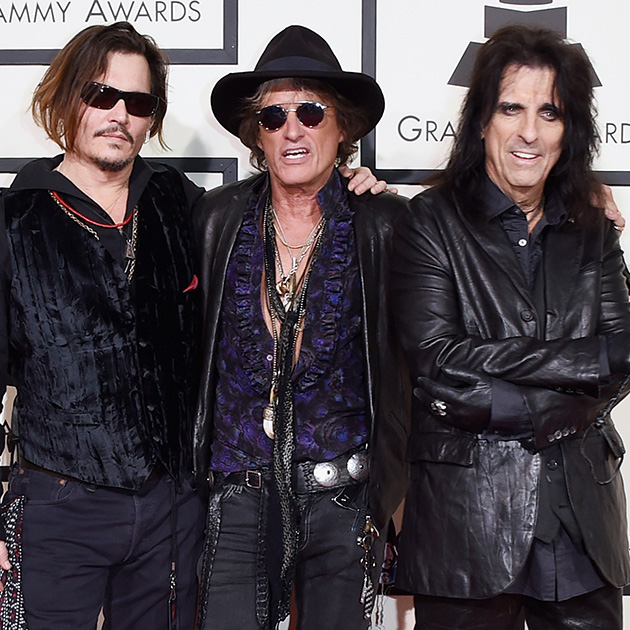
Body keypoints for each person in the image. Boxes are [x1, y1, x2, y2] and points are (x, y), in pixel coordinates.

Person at [0, 21, 391, 630]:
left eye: (138, 103)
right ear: (67, 99)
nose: (119, 115)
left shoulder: (181, 205)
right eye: (102, 96)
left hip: (170, 510)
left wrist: (356, 188)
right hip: (58, 504)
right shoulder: (17, 217)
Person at [391, 25, 630, 629]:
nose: (529, 131)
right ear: (481, 121)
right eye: (511, 108)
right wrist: (574, 379)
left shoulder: (593, 227)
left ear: (568, 130)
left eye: (549, 113)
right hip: (464, 527)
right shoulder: (429, 222)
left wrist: (517, 393)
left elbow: (622, 355)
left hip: (581, 525)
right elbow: (438, 361)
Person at [191, 25, 410, 630]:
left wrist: (577, 200)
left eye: (311, 113)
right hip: (236, 500)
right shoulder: (214, 218)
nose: (292, 130)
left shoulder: (385, 223)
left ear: (343, 130)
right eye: (274, 116)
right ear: (255, 134)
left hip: (344, 502)